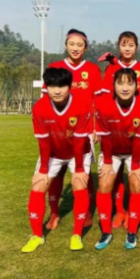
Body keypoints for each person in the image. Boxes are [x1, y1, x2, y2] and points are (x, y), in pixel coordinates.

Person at [22, 68, 92, 253]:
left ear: (69, 87)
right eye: (52, 86)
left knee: (79, 183)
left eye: (62, 86)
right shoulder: (39, 108)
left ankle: (76, 235)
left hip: (79, 152)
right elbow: (43, 142)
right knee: (38, 185)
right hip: (53, 153)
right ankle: (37, 236)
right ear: (46, 87)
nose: (57, 90)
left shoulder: (81, 105)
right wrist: (43, 170)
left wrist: (79, 168)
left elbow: (79, 141)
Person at [41, 29, 102, 231]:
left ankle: (86, 212)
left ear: (86, 48)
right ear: (66, 45)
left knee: (84, 172)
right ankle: (54, 213)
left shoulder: (92, 70)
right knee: (56, 172)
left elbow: (98, 101)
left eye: (79, 45)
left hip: (84, 129)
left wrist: (96, 128)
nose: (75, 48)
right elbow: (46, 100)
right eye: (72, 44)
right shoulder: (55, 67)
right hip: (58, 130)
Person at [99, 31, 140, 230]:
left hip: (136, 126)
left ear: (136, 48)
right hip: (115, 129)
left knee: (135, 177)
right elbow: (106, 98)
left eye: (131, 45)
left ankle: (133, 212)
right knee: (113, 177)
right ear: (119, 47)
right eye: (124, 45)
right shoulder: (112, 69)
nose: (127, 48)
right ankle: (119, 211)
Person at [93, 68, 140, 250]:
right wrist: (107, 162)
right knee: (104, 183)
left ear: (137, 86)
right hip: (112, 151)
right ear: (113, 86)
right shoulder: (104, 105)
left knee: (136, 182)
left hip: (136, 151)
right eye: (120, 83)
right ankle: (106, 232)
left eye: (129, 83)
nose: (125, 88)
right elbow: (105, 137)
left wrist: (135, 165)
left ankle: (132, 231)